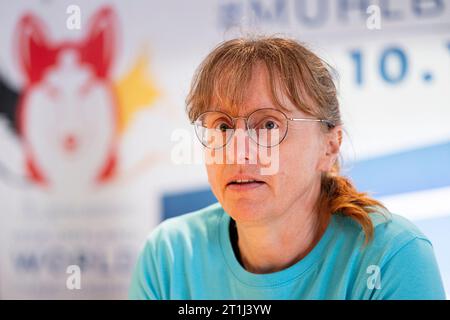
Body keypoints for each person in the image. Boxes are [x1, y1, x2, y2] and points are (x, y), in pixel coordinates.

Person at [129, 36, 446, 299]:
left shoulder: (391, 256)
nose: (239, 152)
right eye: (222, 127)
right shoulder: (169, 255)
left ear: (329, 145)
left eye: (268, 125)